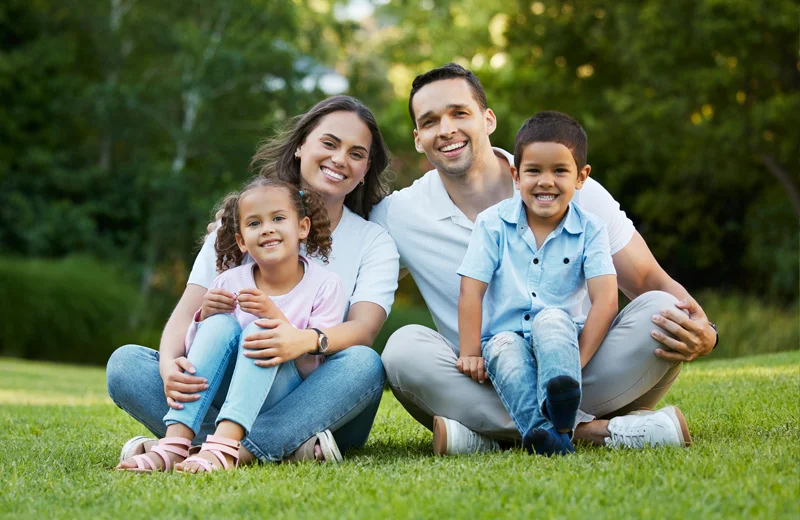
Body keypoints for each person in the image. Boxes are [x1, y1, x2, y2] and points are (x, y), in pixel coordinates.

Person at [374, 63, 712, 454]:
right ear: (418, 139)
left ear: (488, 120)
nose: (446, 129)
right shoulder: (400, 215)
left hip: (582, 368)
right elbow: (342, 262)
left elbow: (648, 278)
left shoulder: (568, 185)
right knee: (402, 351)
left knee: (665, 309)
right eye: (430, 121)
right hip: (485, 377)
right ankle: (598, 432)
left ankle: (488, 436)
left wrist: (707, 331)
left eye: (459, 113)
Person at [108, 96, 399, 467]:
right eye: (329, 143)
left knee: (364, 364)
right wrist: (169, 366)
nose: (340, 158)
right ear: (300, 147)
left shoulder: (374, 241)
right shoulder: (240, 226)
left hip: (316, 397)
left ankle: (212, 445)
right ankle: (260, 447)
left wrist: (301, 340)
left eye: (356, 153)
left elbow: (363, 329)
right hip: (229, 384)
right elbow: (186, 315)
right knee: (126, 364)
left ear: (365, 169)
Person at [118, 178, 346, 472]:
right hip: (229, 396)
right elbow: (203, 357)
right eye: (254, 223)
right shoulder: (229, 281)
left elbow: (313, 366)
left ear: (302, 227)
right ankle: (176, 443)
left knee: (261, 331)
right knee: (218, 324)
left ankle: (224, 447)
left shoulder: (326, 285)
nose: (267, 228)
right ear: (241, 241)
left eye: (278, 218)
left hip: (284, 399)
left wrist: (274, 317)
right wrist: (203, 318)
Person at [457, 111, 618, 457]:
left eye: (560, 171)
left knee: (551, 318)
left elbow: (606, 300)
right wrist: (471, 352)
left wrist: (577, 363)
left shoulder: (591, 228)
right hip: (506, 336)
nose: (546, 181)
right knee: (503, 350)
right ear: (516, 175)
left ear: (581, 177)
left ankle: (562, 398)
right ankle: (544, 432)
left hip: (561, 342)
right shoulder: (493, 224)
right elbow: (472, 290)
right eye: (534, 171)